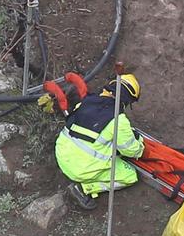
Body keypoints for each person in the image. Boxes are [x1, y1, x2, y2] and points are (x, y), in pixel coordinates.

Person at [55, 74, 145, 210]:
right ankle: (84, 188)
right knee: (130, 176)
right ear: (127, 100)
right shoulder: (118, 120)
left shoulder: (86, 101)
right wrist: (140, 143)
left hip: (61, 155)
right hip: (79, 169)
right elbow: (132, 151)